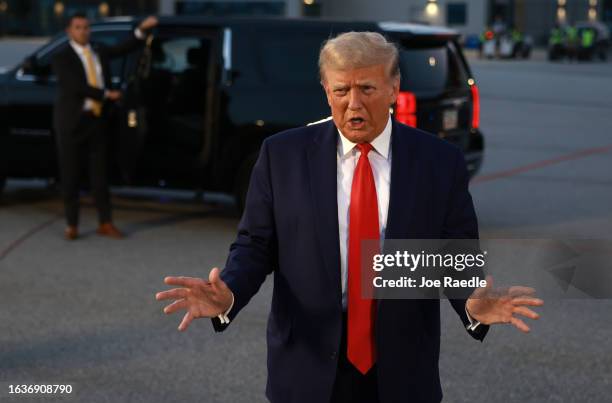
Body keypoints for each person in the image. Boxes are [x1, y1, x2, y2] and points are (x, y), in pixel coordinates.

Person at [156, 32, 543, 403]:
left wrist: (471, 304)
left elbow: (453, 253)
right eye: (341, 90)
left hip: (402, 368)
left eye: (367, 89)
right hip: (306, 363)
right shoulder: (282, 156)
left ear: (394, 89)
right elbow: (256, 245)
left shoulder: (439, 162)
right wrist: (230, 292)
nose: (353, 104)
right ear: (326, 91)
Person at [51, 13, 158, 240]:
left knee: (100, 175)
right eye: (78, 27)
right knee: (70, 175)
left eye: (86, 27)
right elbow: (75, 86)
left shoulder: (97, 50)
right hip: (72, 123)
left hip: (97, 122)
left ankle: (105, 222)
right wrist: (106, 94)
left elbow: (122, 48)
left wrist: (142, 29)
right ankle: (72, 224)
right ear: (69, 31)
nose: (83, 31)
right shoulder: (62, 57)